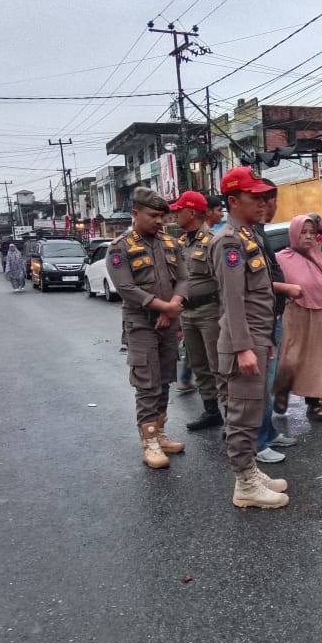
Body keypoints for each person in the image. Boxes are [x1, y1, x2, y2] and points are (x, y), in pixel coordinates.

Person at [208, 166, 291, 508]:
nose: (262, 202)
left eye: (262, 196)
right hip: (243, 340)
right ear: (233, 200)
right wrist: (244, 348)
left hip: (258, 335)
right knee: (243, 415)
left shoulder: (248, 235)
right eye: (253, 197)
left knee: (253, 410)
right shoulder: (228, 240)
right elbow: (232, 298)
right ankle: (244, 484)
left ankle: (250, 470)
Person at [108, 187, 188, 469]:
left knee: (165, 377)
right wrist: (162, 307)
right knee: (147, 382)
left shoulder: (170, 242)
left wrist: (174, 303)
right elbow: (126, 288)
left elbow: (183, 278)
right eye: (153, 215)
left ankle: (161, 431)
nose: (159, 221)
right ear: (135, 213)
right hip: (140, 324)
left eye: (162, 217)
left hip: (168, 321)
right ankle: (149, 441)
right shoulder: (120, 247)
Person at [273, 215, 322, 421]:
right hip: (294, 314)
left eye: (312, 233)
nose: (309, 237)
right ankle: (282, 391)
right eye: (303, 232)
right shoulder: (280, 258)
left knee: (318, 360)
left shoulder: (318, 256)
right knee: (290, 357)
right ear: (294, 233)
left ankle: (313, 403)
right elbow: (267, 284)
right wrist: (286, 289)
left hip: (320, 316)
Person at [252, 180, 298, 463]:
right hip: (259, 321)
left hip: (272, 316)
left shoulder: (258, 233)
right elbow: (252, 285)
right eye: (270, 200)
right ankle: (257, 443)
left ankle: (267, 433)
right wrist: (286, 289)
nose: (272, 207)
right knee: (258, 387)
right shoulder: (241, 238)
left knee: (267, 383)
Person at [173, 190, 224, 430]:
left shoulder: (213, 240)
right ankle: (211, 411)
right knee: (199, 364)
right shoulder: (181, 243)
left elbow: (224, 281)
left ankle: (232, 419)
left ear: (191, 212)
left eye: (179, 210)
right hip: (188, 313)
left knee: (218, 365)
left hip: (210, 311)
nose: (175, 214)